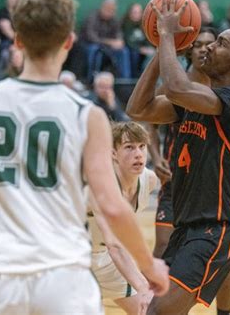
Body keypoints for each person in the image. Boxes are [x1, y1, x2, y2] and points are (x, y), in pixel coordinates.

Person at [0, 0, 169, 314]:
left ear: (17, 41)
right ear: (69, 42)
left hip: (0, 272)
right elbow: (114, 207)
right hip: (61, 273)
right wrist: (149, 267)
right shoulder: (86, 114)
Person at [126, 0, 230, 314]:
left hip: (217, 226)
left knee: (159, 312)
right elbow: (138, 109)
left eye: (220, 43)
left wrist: (166, 37)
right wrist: (162, 49)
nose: (208, 46)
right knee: (154, 310)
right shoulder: (195, 100)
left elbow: (177, 88)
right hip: (187, 226)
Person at [138, 27, 230, 315]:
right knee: (164, 245)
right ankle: (161, 301)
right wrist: (155, 156)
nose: (205, 48)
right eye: (200, 44)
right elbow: (148, 121)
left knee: (221, 262)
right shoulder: (174, 86)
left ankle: (223, 311)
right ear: (190, 50)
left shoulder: (222, 91)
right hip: (174, 179)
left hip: (209, 186)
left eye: (212, 44)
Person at [89, 121, 158, 315]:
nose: (138, 154)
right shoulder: (101, 182)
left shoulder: (149, 180)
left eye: (142, 146)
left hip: (105, 259)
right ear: (113, 153)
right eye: (129, 147)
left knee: (149, 310)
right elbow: (115, 245)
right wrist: (143, 284)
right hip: (74, 258)